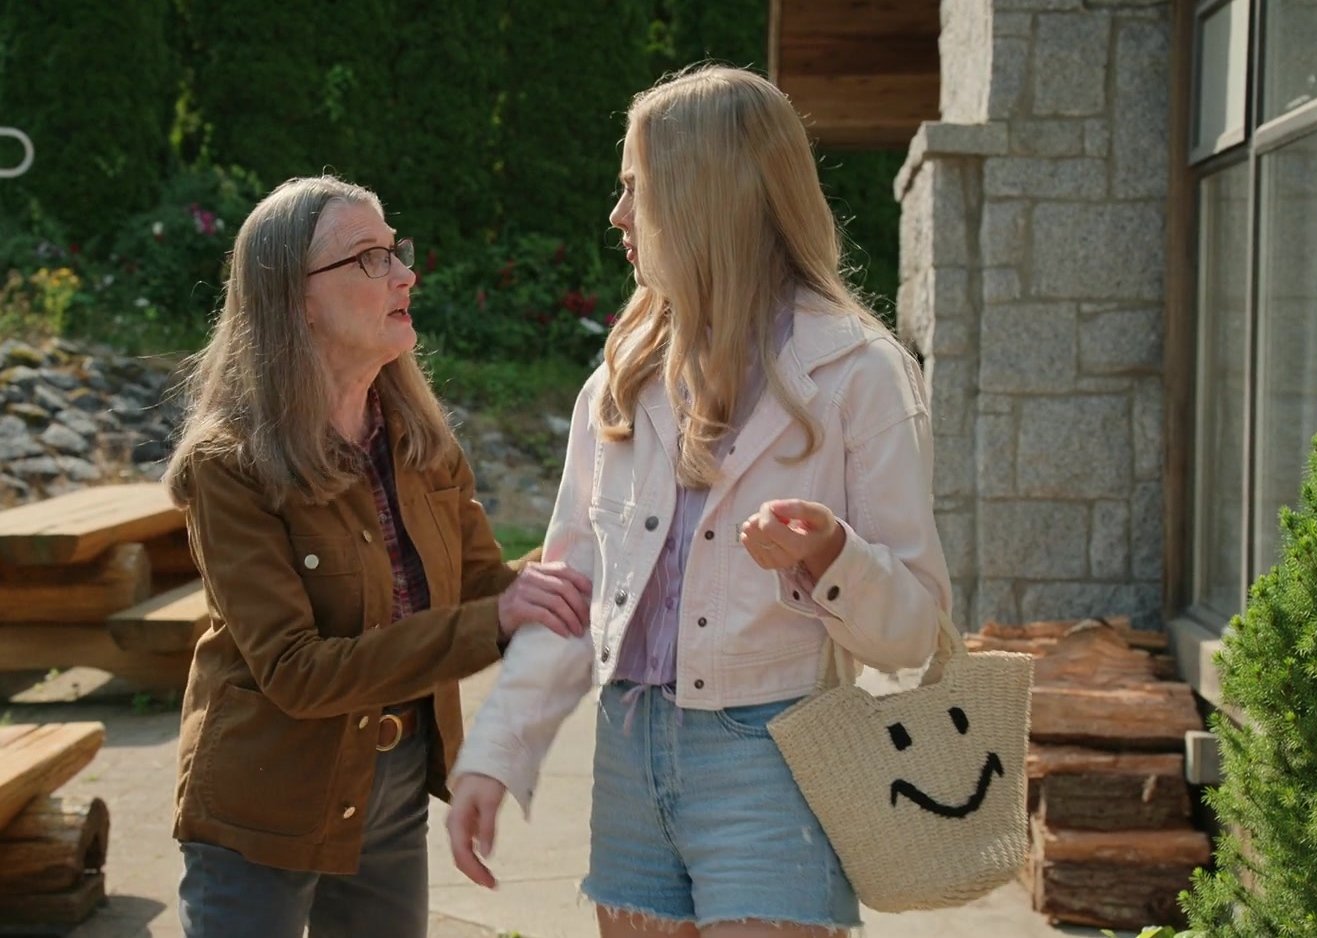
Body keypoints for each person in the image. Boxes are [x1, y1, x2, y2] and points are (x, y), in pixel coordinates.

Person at [445, 66, 953, 938]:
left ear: (704, 193)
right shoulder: (620, 376)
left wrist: (832, 557)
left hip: (777, 760)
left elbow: (916, 633)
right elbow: (571, 592)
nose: (616, 215)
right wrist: (494, 756)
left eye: (633, 188)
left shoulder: (860, 374)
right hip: (627, 758)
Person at [165, 174, 591, 938]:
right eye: (368, 258)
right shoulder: (229, 463)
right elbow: (296, 670)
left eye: (396, 250)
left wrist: (600, 566)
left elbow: (484, 588)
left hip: (392, 786)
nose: (404, 273)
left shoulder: (421, 443)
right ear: (295, 299)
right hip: (264, 801)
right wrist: (495, 616)